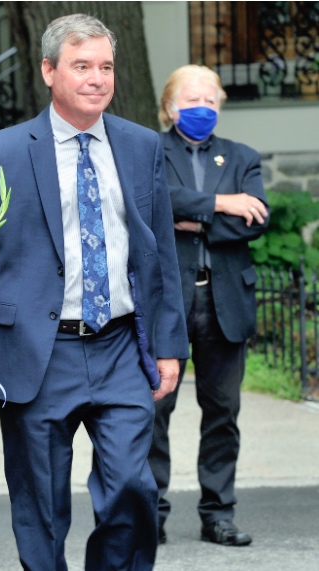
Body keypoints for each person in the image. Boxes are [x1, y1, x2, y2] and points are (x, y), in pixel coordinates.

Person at [0, 14, 189, 570]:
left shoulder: (142, 145)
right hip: (35, 351)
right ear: (49, 71)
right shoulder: (2, 151)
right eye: (81, 66)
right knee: (40, 505)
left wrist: (169, 344)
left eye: (106, 67)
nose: (97, 78)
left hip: (121, 345)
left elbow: (159, 255)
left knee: (131, 488)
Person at [148, 65, 269, 547]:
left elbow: (256, 220)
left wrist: (191, 219)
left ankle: (218, 513)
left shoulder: (243, 156)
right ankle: (150, 511)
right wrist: (222, 205)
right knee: (155, 413)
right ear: (170, 106)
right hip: (168, 303)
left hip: (225, 302)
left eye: (211, 100)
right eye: (192, 99)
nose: (203, 108)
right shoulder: (150, 150)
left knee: (223, 412)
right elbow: (152, 202)